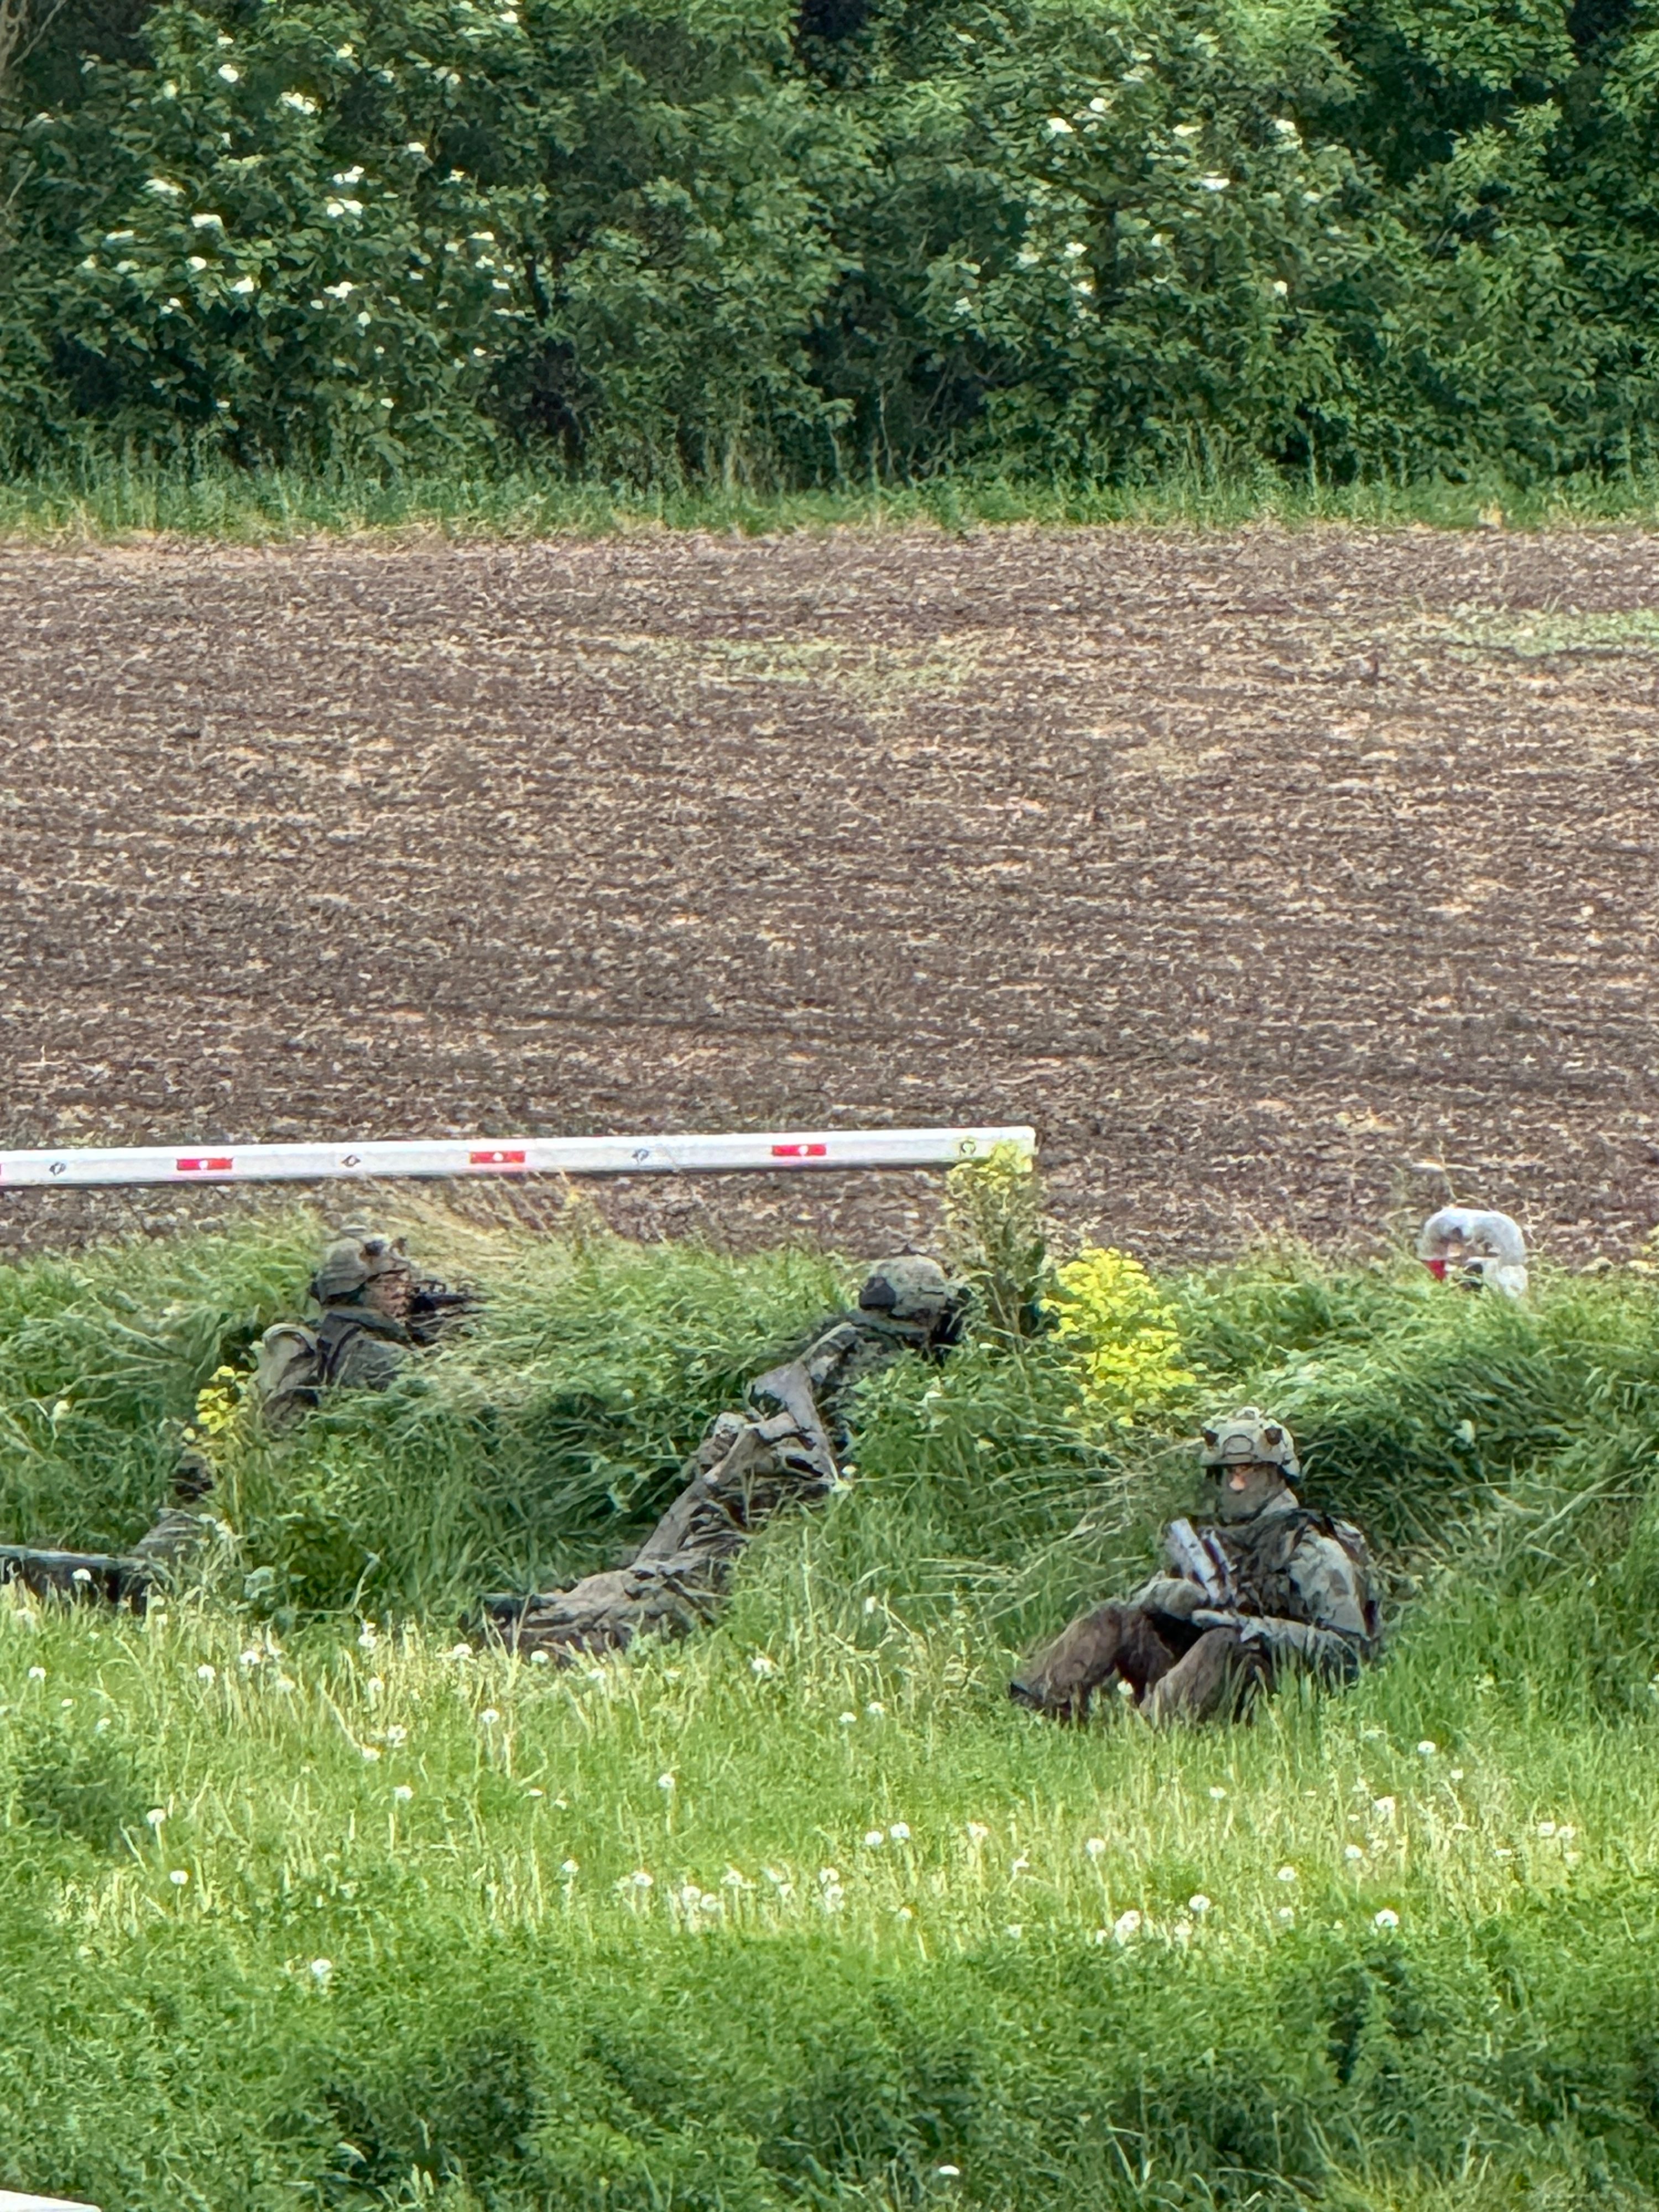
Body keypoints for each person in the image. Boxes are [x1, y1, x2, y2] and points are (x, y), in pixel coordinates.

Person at [486, 1254, 968, 1660]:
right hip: (772, 1493)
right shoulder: (879, 1363)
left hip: (739, 1475)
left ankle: (551, 1609)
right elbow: (859, 1449)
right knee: (688, 1585)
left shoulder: (833, 1344)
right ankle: (552, 1625)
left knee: (665, 1565)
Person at [1009, 1408, 1380, 1725]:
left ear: (1276, 1474)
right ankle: (1032, 1710)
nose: (1235, 1485)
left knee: (1225, 1641)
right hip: (1195, 1675)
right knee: (1115, 1617)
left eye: (1247, 1471)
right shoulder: (1212, 1544)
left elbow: (1347, 1653)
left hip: (1267, 1687)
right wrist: (1171, 1596)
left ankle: (1146, 1738)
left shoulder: (1312, 1547)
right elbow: (1145, 1602)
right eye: (1227, 1473)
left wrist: (1251, 1629)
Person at [252, 1229, 474, 1430]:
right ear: (354, 1292)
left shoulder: (334, 1330)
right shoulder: (366, 1349)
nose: (402, 1292)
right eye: (388, 1283)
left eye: (403, 1280)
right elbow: (445, 1393)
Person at [1417, 1206, 1528, 1298]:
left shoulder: (1487, 1267)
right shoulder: (1443, 1263)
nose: (1453, 1248)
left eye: (1458, 1244)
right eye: (1453, 1243)